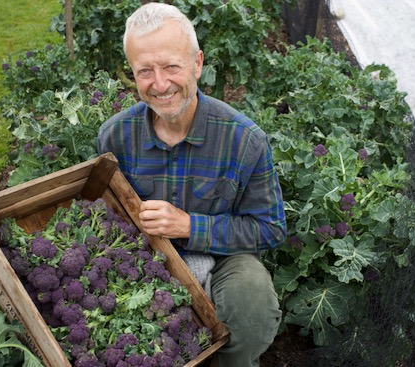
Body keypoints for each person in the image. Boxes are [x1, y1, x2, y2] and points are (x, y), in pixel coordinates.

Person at [97, 3, 287, 366]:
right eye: (145, 71)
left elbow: (270, 228)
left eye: (171, 66)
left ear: (197, 63)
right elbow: (105, 222)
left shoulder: (244, 140)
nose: (160, 84)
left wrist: (188, 225)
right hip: (144, 259)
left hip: (221, 258)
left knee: (252, 308)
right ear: (132, 74)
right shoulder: (114, 137)